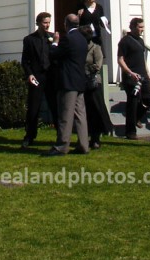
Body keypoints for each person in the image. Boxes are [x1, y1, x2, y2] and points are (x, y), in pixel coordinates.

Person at [47, 14, 90, 156]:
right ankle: (84, 145)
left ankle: (62, 146)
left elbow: (55, 54)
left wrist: (54, 42)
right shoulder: (83, 39)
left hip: (68, 82)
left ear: (66, 24)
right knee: (80, 115)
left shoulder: (68, 38)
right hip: (80, 81)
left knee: (66, 115)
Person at [21, 12, 58, 148]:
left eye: (49, 22)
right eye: (45, 22)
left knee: (55, 107)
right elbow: (25, 61)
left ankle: (60, 135)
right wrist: (29, 74)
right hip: (37, 77)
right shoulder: (29, 40)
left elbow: (57, 57)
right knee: (33, 108)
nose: (47, 25)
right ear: (38, 23)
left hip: (51, 77)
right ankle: (29, 135)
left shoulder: (54, 37)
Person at [117, 17, 150, 140]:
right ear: (132, 27)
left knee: (149, 99)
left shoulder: (141, 41)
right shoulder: (125, 41)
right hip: (131, 77)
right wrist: (130, 72)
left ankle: (137, 118)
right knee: (132, 103)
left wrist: (148, 71)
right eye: (140, 27)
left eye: (143, 27)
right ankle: (130, 132)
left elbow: (142, 58)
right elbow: (120, 59)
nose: (142, 30)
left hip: (143, 76)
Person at [80, 24, 113, 148]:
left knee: (96, 110)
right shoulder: (79, 48)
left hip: (93, 84)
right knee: (86, 111)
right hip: (82, 83)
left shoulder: (96, 48)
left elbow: (97, 65)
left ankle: (96, 137)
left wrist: (85, 69)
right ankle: (85, 137)